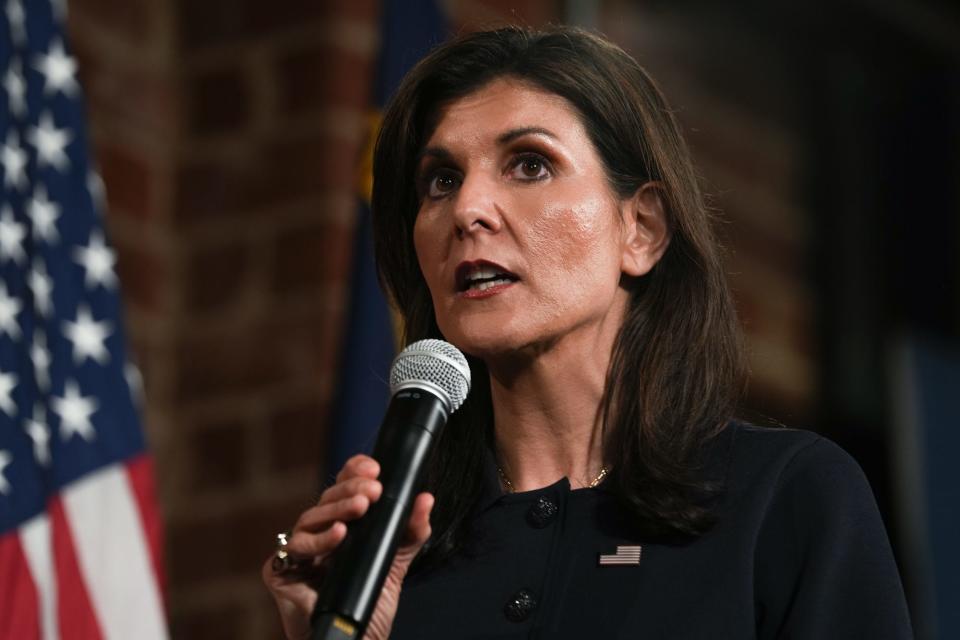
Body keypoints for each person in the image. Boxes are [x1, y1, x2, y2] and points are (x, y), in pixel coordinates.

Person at [262, 26, 913, 639]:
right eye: (442, 180)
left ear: (642, 230)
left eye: (529, 165)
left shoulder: (785, 498)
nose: (467, 210)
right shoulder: (394, 555)